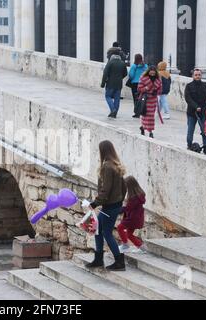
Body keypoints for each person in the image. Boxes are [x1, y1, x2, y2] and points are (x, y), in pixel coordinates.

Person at [86, 141, 127, 272]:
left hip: (109, 206)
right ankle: (98, 259)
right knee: (98, 229)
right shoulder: (116, 165)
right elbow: (124, 187)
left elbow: (106, 189)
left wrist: (94, 203)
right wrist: (119, 201)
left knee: (106, 233)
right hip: (114, 205)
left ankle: (119, 261)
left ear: (102, 151)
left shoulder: (107, 167)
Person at [185, 69, 206, 150]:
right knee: (190, 130)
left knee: (204, 129)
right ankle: (189, 144)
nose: (197, 76)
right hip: (192, 112)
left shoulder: (205, 85)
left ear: (201, 76)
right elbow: (188, 98)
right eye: (196, 75)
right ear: (193, 76)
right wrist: (196, 106)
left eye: (199, 75)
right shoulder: (189, 86)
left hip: (203, 111)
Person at [117, 176, 146, 254]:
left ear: (130, 186)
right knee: (129, 234)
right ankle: (142, 247)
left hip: (132, 218)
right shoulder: (138, 195)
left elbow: (127, 208)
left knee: (120, 227)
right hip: (136, 218)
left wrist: (116, 210)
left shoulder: (134, 198)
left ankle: (125, 245)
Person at [101, 47, 128, 118]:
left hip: (110, 83)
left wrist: (103, 84)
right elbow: (125, 73)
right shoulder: (122, 63)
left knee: (108, 96)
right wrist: (119, 78)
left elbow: (105, 73)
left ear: (111, 54)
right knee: (117, 98)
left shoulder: (110, 62)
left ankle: (113, 110)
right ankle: (115, 112)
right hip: (119, 84)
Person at [137, 66, 163, 138]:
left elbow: (160, 90)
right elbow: (139, 88)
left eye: (154, 71)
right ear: (148, 71)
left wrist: (156, 91)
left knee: (151, 116)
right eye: (151, 71)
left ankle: (149, 130)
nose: (152, 72)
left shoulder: (158, 79)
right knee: (145, 115)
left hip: (153, 100)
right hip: (145, 99)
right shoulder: (143, 78)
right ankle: (145, 128)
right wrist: (146, 88)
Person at [128, 54, 148, 118]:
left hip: (135, 84)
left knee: (136, 98)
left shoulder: (134, 66)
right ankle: (143, 111)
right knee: (143, 98)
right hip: (143, 83)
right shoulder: (145, 66)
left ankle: (137, 113)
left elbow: (131, 75)